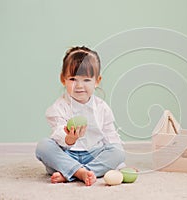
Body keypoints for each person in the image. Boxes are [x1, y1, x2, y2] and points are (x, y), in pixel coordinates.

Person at [35, 46, 125, 186]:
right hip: (67, 154)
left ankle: (73, 173)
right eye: (73, 79)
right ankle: (79, 171)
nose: (79, 86)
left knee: (118, 152)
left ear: (97, 81)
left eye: (86, 80)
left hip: (94, 155)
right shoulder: (59, 107)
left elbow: (110, 136)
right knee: (43, 146)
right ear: (63, 79)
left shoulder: (102, 108)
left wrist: (119, 164)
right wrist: (69, 139)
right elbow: (58, 132)